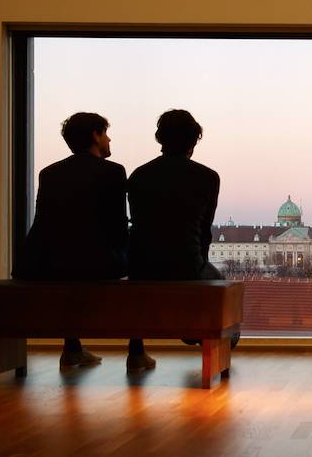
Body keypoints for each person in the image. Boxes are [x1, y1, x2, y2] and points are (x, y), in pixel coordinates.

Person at [13, 112, 128, 369]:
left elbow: (45, 223)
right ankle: (137, 350)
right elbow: (118, 226)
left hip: (46, 264)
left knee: (72, 260)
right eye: (106, 133)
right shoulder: (113, 171)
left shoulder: (49, 173)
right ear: (95, 136)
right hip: (95, 264)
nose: (109, 140)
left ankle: (73, 347)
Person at [126, 109, 221, 372]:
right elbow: (204, 230)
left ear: (160, 139)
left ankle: (136, 352)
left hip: (141, 265)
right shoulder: (207, 177)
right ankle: (200, 339)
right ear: (194, 141)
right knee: (220, 287)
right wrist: (199, 263)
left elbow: (139, 224)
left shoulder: (138, 175)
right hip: (186, 262)